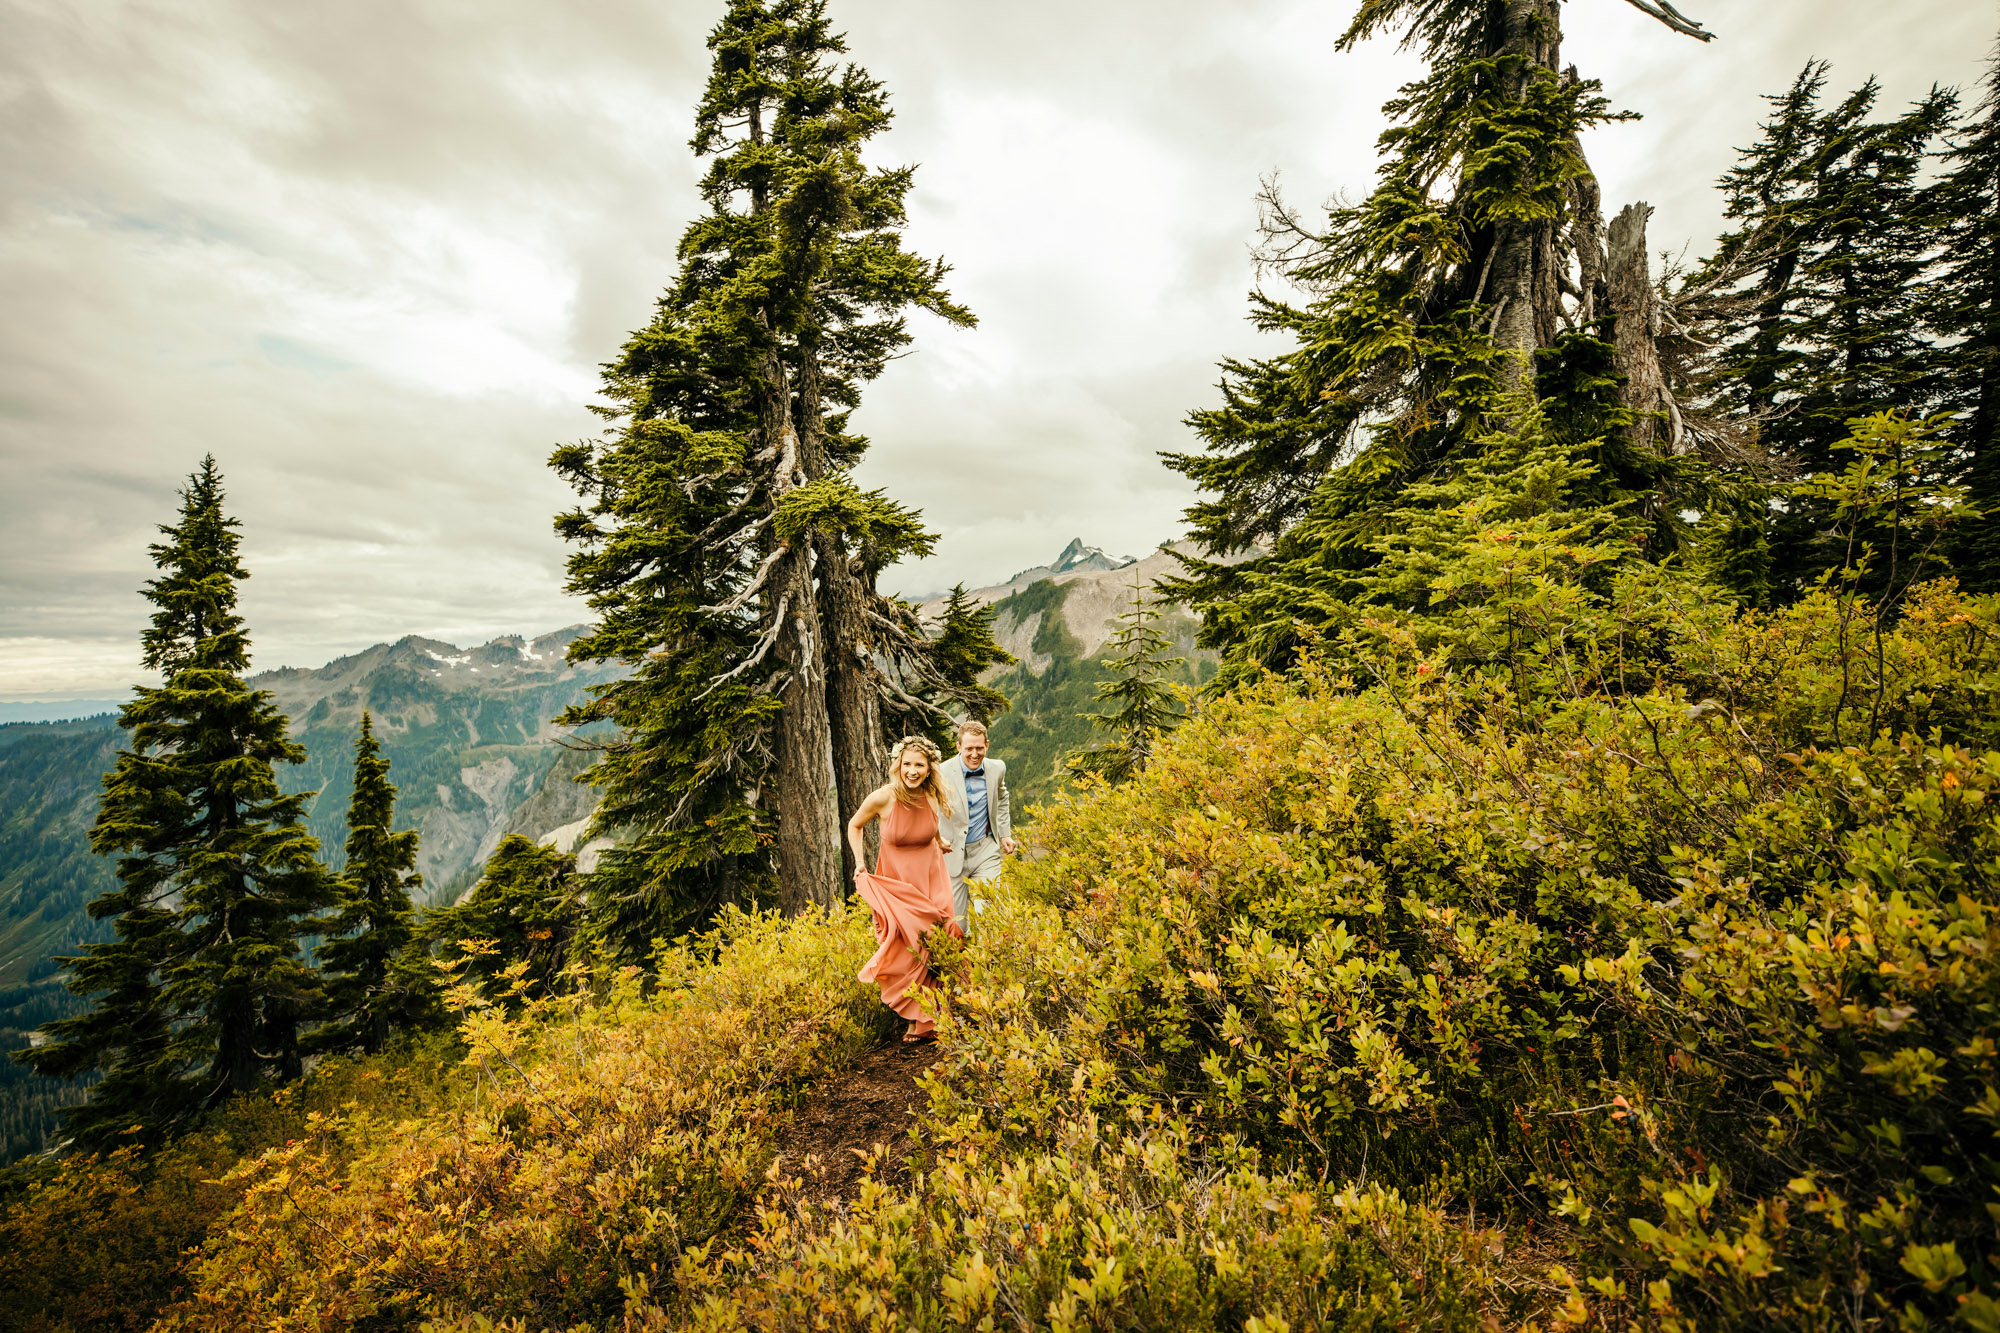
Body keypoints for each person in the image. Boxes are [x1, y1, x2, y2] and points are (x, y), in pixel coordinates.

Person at [846, 736, 961, 1042]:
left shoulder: (933, 797)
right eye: (907, 764)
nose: (912, 770)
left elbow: (931, 827)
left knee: (935, 937)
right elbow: (854, 825)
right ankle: (916, 1015)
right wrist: (859, 862)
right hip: (897, 883)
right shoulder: (883, 798)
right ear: (898, 765)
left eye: (919, 765)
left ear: (928, 769)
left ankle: (927, 1019)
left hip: (932, 877)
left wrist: (939, 841)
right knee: (905, 947)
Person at [938, 720, 1016, 934]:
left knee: (988, 916)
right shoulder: (940, 772)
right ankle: (963, 965)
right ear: (958, 747)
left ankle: (989, 963)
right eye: (969, 748)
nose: (975, 754)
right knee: (956, 924)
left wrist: (1005, 834)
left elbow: (1002, 797)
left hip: (985, 850)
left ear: (987, 746)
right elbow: (926, 806)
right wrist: (935, 838)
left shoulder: (997, 768)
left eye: (979, 748)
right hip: (951, 853)